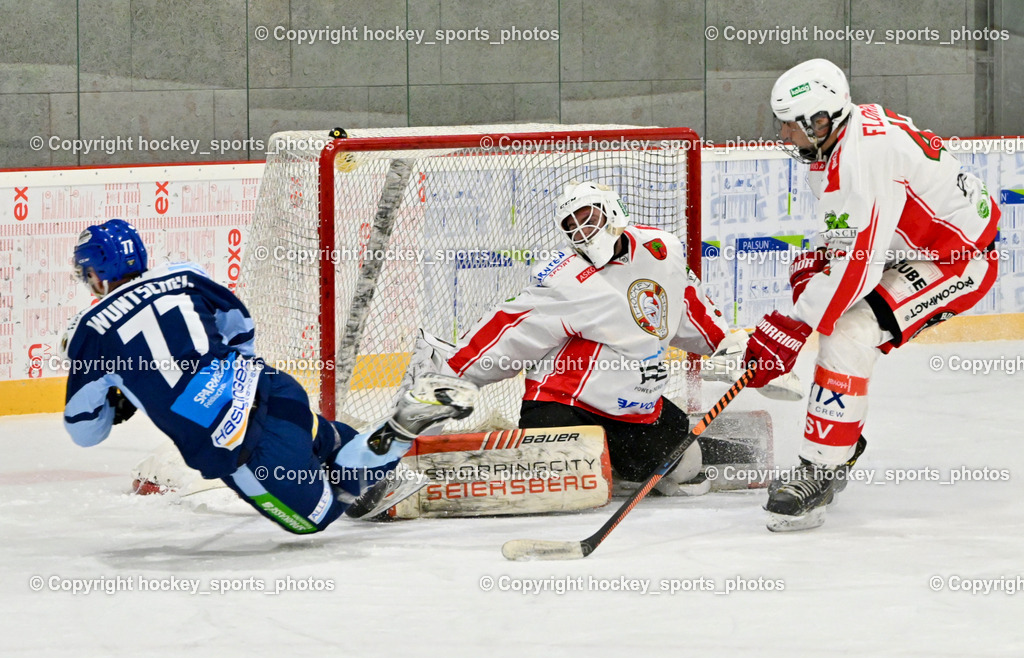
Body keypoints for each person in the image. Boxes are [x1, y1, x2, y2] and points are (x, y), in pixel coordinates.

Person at [61, 219, 478, 533]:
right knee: (318, 440)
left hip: (240, 447)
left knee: (314, 518)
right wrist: (235, 383)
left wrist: (114, 404)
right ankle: (349, 449)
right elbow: (240, 326)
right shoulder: (184, 277)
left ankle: (404, 424)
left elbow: (83, 432)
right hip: (275, 389)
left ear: (96, 272)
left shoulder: (90, 330)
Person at [744, 58, 1001, 531]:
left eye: (790, 126)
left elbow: (858, 267)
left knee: (847, 333)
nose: (784, 137)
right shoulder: (840, 142)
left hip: (955, 260)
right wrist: (813, 277)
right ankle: (840, 438)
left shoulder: (862, 161)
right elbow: (846, 240)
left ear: (821, 121)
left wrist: (793, 326)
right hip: (910, 244)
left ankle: (821, 467)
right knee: (814, 277)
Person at [420, 181, 749, 496]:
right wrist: (454, 370)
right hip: (563, 407)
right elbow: (512, 327)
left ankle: (735, 452)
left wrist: (727, 346)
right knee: (560, 476)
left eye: (589, 218)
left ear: (613, 211)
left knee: (686, 467)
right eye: (572, 226)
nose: (583, 231)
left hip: (636, 412)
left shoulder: (661, 251)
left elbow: (682, 307)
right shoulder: (566, 276)